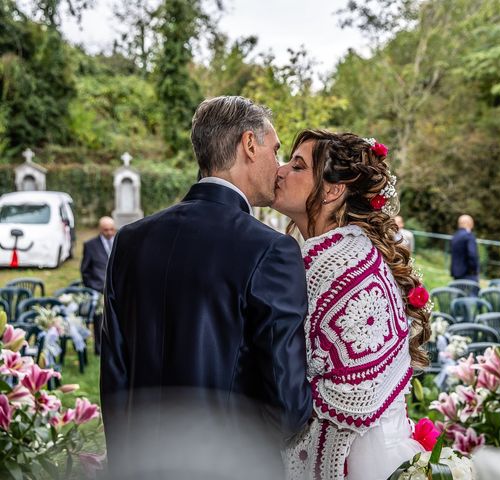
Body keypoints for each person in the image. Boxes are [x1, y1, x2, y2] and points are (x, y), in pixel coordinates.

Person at [100, 96, 312, 479]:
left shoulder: (131, 241)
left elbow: (114, 376)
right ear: (249, 145)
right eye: (275, 150)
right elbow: (287, 409)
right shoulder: (271, 250)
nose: (279, 166)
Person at [272, 130, 431, 480]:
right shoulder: (354, 251)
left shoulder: (332, 263)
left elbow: (340, 385)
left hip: (355, 458)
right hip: (380, 447)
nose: (280, 171)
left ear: (332, 189)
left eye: (297, 165)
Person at [80, 216, 116, 355]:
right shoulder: (90, 245)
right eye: (106, 230)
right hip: (98, 290)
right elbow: (85, 271)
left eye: (112, 229)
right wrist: (94, 287)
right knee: (100, 318)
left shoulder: (119, 241)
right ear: (100, 230)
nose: (109, 232)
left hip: (117, 288)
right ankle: (99, 348)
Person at [450, 214, 479, 282]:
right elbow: (472, 254)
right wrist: (474, 270)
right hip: (468, 274)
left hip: (456, 272)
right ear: (469, 223)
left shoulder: (455, 236)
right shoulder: (469, 236)